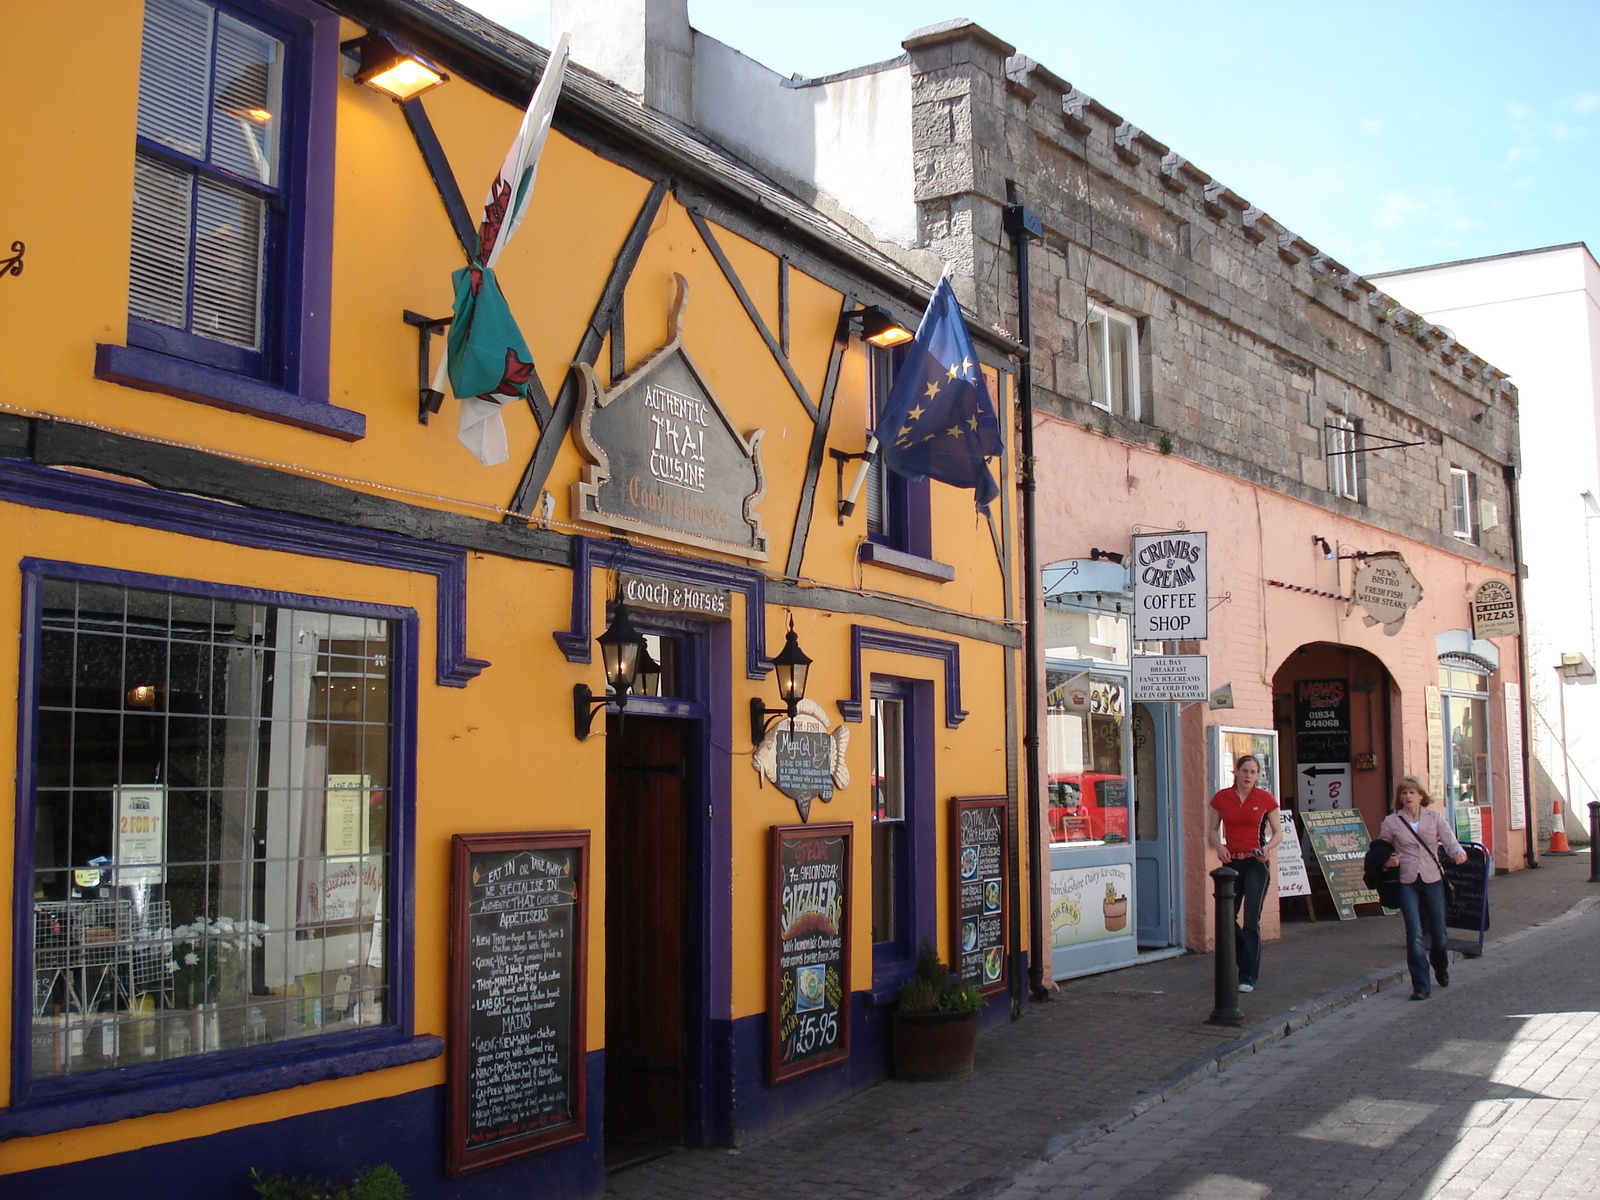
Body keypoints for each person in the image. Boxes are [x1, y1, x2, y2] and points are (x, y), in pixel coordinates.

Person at [1380, 776, 1467, 1000]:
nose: (1408, 797)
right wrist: (1388, 861)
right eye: (1404, 793)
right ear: (1399, 798)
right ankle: (1421, 985)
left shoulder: (1434, 817)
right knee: (1414, 934)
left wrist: (1458, 852)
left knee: (1438, 934)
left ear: (1421, 796)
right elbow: (1380, 848)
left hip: (1432, 878)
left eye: (1412, 793)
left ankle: (1441, 966)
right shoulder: (1392, 822)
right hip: (1407, 880)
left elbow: (1449, 840)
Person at [1208, 754, 1283, 992]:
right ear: (1236, 773)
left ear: (1258, 775)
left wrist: (1267, 848)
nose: (1248, 776)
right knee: (1227, 918)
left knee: (1251, 921)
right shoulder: (1223, 797)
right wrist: (1219, 847)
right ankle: (1244, 957)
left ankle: (1247, 975)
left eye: (1253, 772)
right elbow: (1212, 829)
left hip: (1255, 863)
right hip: (1232, 865)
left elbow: (1278, 832)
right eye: (1245, 771)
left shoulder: (1265, 799)